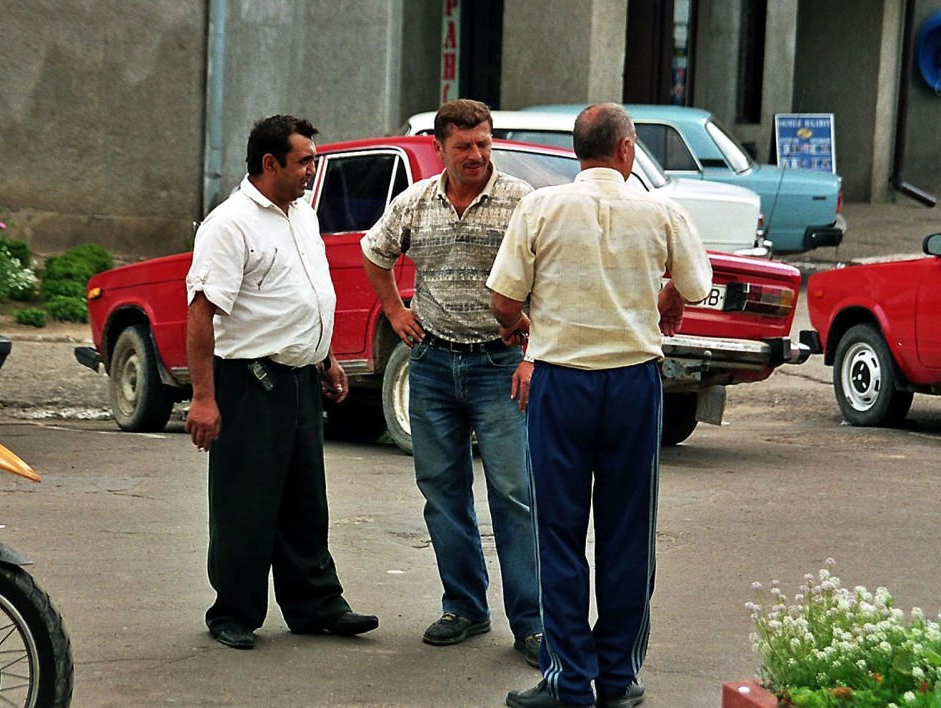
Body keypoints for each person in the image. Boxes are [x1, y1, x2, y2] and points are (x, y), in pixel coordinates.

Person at [488, 103, 712, 708]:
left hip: (561, 381)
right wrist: (665, 287)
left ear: (580, 150)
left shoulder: (540, 206)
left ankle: (568, 679)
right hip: (634, 384)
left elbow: (502, 299)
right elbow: (695, 285)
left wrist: (526, 326)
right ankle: (618, 678)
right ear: (625, 149)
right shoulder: (661, 210)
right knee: (627, 533)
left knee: (558, 533)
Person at [184, 115, 378, 650]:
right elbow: (201, 315)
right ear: (270, 163)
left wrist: (327, 358)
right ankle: (233, 612)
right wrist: (204, 398)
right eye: (304, 162)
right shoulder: (230, 224)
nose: (312, 172)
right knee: (245, 501)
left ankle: (316, 604)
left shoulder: (301, 216)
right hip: (248, 380)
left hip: (298, 378)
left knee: (305, 500)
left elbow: (305, 295)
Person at [360, 99, 543, 666]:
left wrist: (532, 355)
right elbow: (374, 253)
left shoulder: (521, 203)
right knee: (442, 492)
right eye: (463, 146)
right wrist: (394, 312)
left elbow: (549, 279)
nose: (476, 155)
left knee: (514, 493)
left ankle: (532, 622)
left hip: (499, 367)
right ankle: (464, 606)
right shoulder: (415, 204)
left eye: (484, 143)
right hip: (433, 366)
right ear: (439, 148)